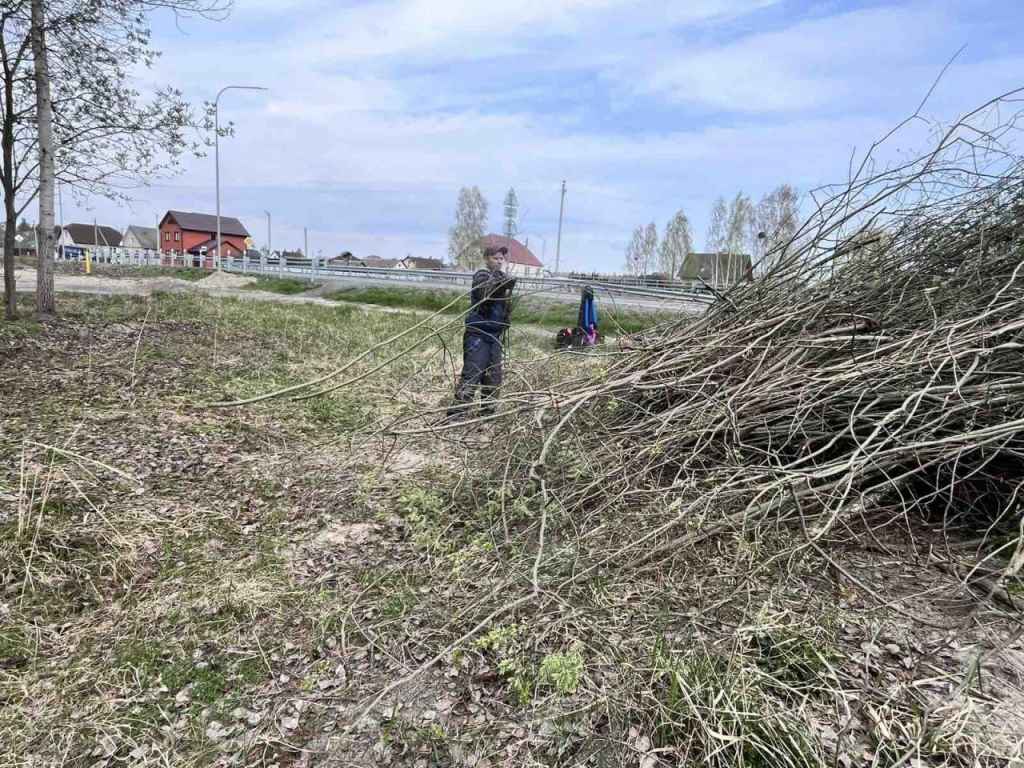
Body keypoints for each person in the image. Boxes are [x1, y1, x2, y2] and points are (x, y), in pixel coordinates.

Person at [447, 245, 516, 418]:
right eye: (495, 258)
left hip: (495, 335)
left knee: (493, 377)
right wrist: (505, 283)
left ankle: (487, 415)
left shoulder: (503, 277)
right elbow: (488, 292)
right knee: (472, 373)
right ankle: (456, 416)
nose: (499, 261)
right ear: (486, 258)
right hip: (478, 334)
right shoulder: (481, 276)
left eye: (501, 258)